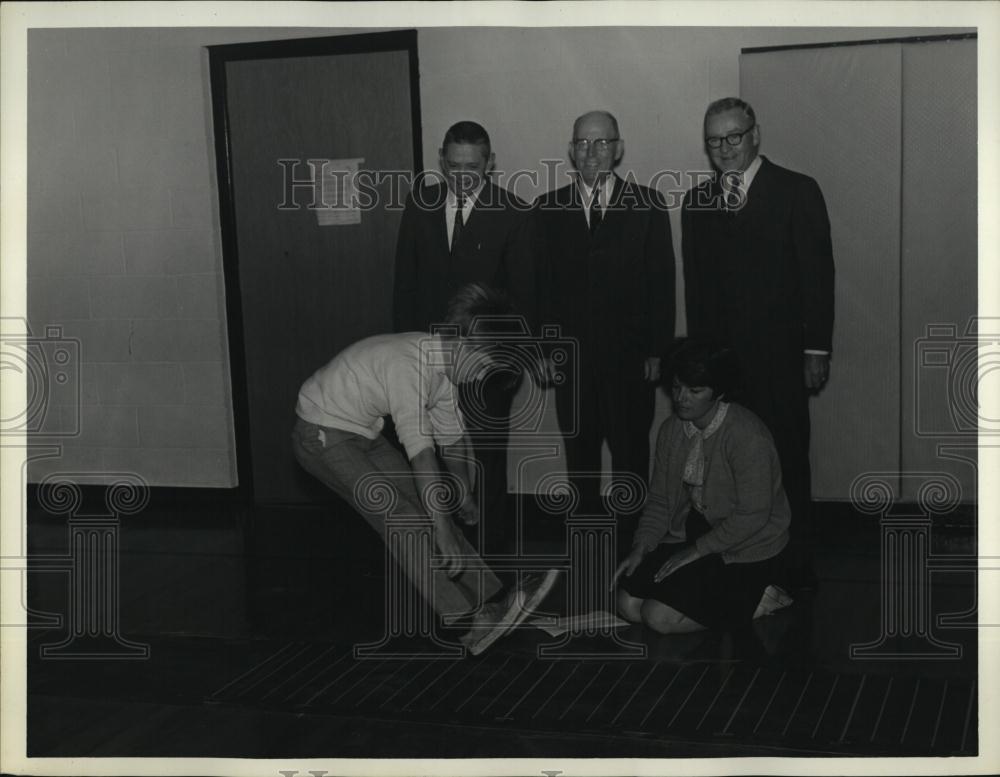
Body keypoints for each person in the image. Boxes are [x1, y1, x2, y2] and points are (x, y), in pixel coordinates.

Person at [292, 282, 558, 656]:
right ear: (464, 344)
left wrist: (462, 490)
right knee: (404, 519)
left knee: (429, 510)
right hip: (321, 433)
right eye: (484, 366)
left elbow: (452, 442)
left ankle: (495, 597)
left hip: (360, 431)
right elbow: (422, 455)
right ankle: (465, 623)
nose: (483, 378)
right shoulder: (410, 366)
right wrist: (444, 529)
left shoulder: (442, 372)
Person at [681, 97, 835, 588]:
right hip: (725, 367)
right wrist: (701, 367)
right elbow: (698, 290)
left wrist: (817, 349)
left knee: (785, 457)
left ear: (755, 135)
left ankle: (794, 570)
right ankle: (741, 565)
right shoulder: (696, 202)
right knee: (727, 464)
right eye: (714, 140)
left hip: (782, 359)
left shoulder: (796, 190)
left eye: (734, 137)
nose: (724, 148)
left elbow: (818, 276)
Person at [393, 121, 535, 557]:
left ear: (490, 164)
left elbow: (523, 299)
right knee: (428, 457)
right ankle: (439, 554)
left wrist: (505, 363)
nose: (461, 177)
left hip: (487, 366)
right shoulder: (421, 206)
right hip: (426, 360)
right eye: (452, 166)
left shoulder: (513, 213)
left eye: (472, 167)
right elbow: (405, 286)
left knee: (486, 463)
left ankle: (492, 563)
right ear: (441, 159)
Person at [533, 110, 675, 522]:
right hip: (572, 361)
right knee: (580, 457)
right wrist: (543, 350)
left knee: (631, 455)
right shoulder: (547, 208)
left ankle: (633, 553)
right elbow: (541, 288)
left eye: (601, 142)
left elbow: (662, 285)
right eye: (582, 143)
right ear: (570, 150)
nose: (591, 152)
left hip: (630, 360)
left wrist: (658, 352)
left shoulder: (648, 204)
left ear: (619, 148)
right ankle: (588, 547)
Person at [611, 339, 793, 634]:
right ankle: (724, 600)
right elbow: (659, 501)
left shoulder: (747, 436)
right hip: (701, 536)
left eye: (695, 391)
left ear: (719, 392)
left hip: (750, 547)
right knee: (628, 605)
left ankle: (760, 601)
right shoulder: (672, 430)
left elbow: (754, 515)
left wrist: (697, 551)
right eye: (677, 387)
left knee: (658, 618)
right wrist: (641, 547)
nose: (682, 398)